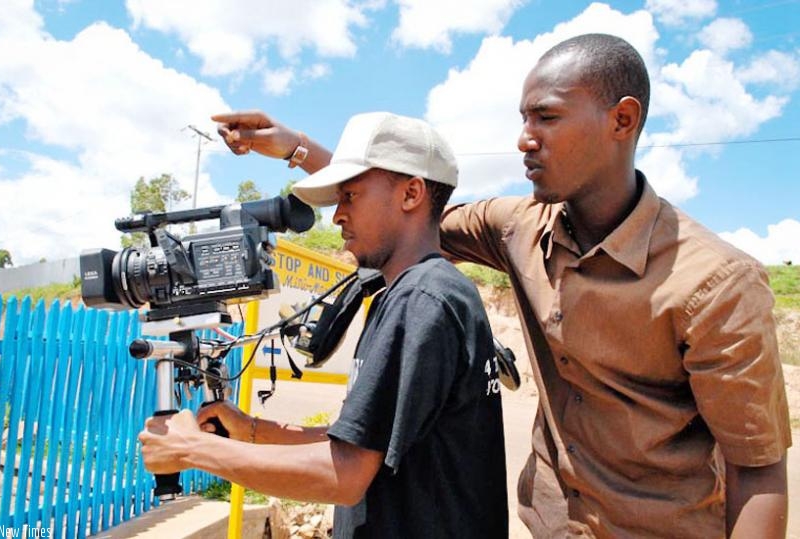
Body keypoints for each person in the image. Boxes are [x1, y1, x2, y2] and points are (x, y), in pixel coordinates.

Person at [205, 33, 791, 539]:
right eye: (522, 119)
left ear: (622, 119)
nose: (524, 138)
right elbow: (410, 206)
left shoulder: (715, 282)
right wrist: (299, 150)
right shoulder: (518, 229)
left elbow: (757, 470)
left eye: (548, 117)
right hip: (549, 525)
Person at [139, 112, 509, 538]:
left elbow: (344, 475)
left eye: (350, 195)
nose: (337, 216)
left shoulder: (422, 299)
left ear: (411, 194)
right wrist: (253, 431)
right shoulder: (411, 294)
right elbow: (361, 444)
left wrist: (191, 448)